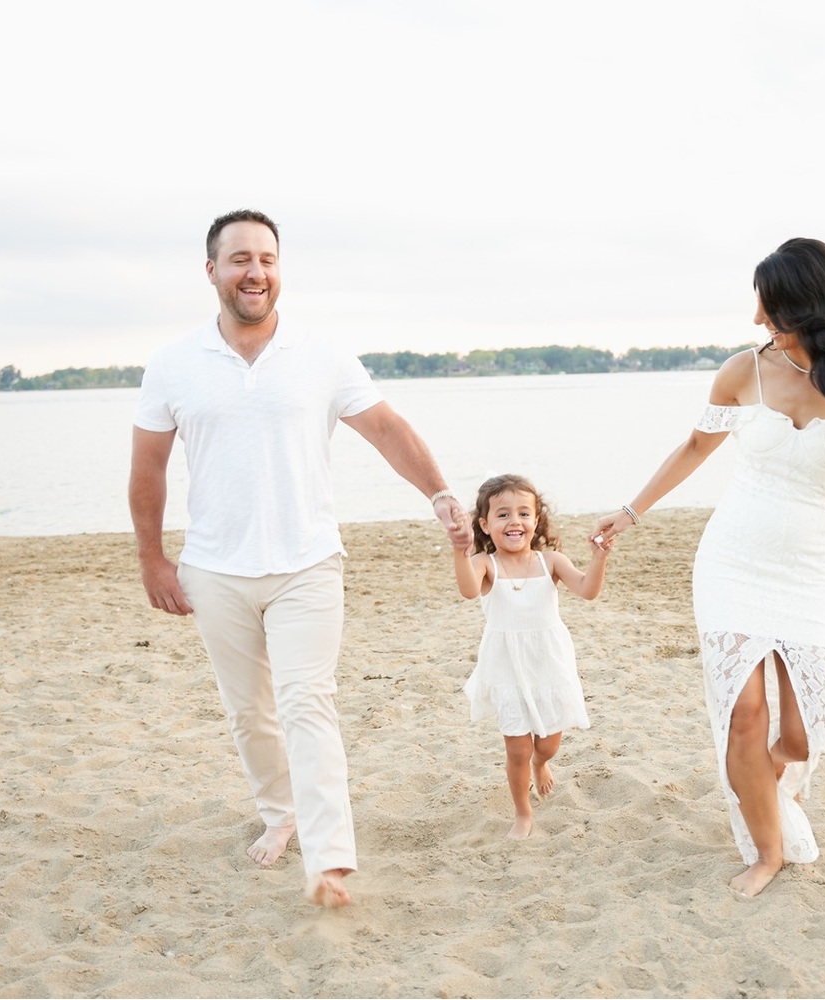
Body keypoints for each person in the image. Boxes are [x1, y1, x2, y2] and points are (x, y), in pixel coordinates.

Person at [128, 208, 472, 909]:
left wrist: (437, 491)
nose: (255, 272)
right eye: (240, 259)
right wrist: (152, 559)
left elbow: (386, 428)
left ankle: (329, 855)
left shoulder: (322, 354)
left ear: (279, 268)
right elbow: (149, 468)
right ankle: (280, 813)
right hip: (216, 569)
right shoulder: (172, 364)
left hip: (309, 563)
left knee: (307, 702)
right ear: (212, 271)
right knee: (248, 712)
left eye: (267, 259)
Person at [594, 238, 825, 897]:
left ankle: (758, 782)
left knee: (803, 731)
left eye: (770, 308)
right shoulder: (744, 371)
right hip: (733, 560)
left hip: (810, 572)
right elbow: (695, 445)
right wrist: (631, 511)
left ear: (808, 306)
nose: (759, 321)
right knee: (744, 714)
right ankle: (765, 852)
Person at [452, 474, 613, 840]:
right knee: (518, 749)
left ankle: (542, 764)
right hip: (507, 668)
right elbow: (466, 590)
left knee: (547, 745)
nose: (515, 522)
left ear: (536, 520)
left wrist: (598, 557)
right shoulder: (484, 564)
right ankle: (522, 813)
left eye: (524, 513)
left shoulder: (550, 561)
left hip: (547, 666)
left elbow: (587, 590)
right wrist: (459, 550)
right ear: (485, 524)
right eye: (503, 515)